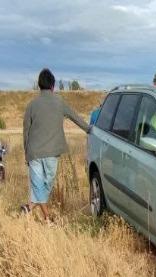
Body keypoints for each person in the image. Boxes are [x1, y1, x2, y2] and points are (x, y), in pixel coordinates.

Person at [22, 68, 90, 222]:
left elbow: (25, 131)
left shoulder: (31, 105)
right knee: (45, 184)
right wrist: (89, 129)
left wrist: (26, 153)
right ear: (53, 86)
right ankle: (47, 218)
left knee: (38, 185)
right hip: (52, 152)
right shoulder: (59, 102)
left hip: (34, 152)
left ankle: (29, 207)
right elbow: (76, 118)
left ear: (39, 86)